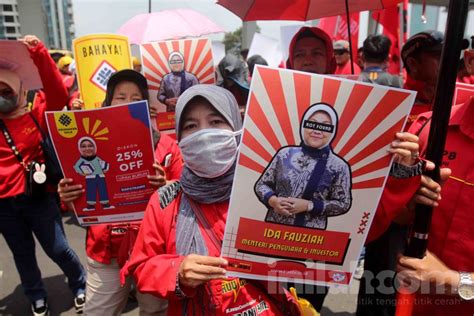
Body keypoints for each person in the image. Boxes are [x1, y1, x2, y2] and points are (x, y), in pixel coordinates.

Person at [120, 84, 300, 316]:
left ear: (236, 126)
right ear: (179, 136)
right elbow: (140, 266)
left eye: (216, 122)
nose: (204, 134)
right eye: (191, 126)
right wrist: (177, 271)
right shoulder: (166, 200)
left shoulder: (267, 193)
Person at [59, 69, 180, 316]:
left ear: (146, 105)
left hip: (154, 251)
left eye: (136, 99)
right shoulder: (85, 144)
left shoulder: (168, 147)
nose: (127, 104)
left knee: (155, 311)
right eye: (120, 97)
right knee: (97, 312)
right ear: (107, 102)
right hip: (105, 250)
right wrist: (69, 197)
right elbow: (78, 206)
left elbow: (186, 196)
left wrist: (166, 187)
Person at [0, 35, 86, 315]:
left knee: (59, 249)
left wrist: (38, 52)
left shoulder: (36, 113)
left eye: (6, 90)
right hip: (4, 206)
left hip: (38, 198)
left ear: (18, 89)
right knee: (22, 255)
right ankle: (36, 296)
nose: (2, 96)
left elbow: (58, 93)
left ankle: (80, 283)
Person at [255, 103, 351, 229]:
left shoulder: (338, 166)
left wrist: (309, 206)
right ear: (303, 126)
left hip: (310, 240)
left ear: (333, 131)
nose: (317, 130)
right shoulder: (285, 154)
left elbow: (343, 203)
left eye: (326, 126)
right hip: (273, 232)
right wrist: (273, 201)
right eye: (312, 123)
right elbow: (262, 184)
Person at [401, 31, 443, 129]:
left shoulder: (459, 100)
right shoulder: (395, 106)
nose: (449, 61)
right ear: (413, 64)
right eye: (439, 56)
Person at [73, 136, 113, 210]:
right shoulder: (81, 160)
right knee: (91, 191)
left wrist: (105, 169)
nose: (87, 148)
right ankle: (91, 206)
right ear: (79, 149)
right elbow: (76, 167)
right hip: (90, 178)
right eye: (83, 146)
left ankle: (105, 204)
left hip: (101, 177)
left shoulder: (97, 158)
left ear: (94, 147)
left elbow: (102, 165)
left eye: (90, 146)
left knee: (103, 190)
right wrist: (83, 172)